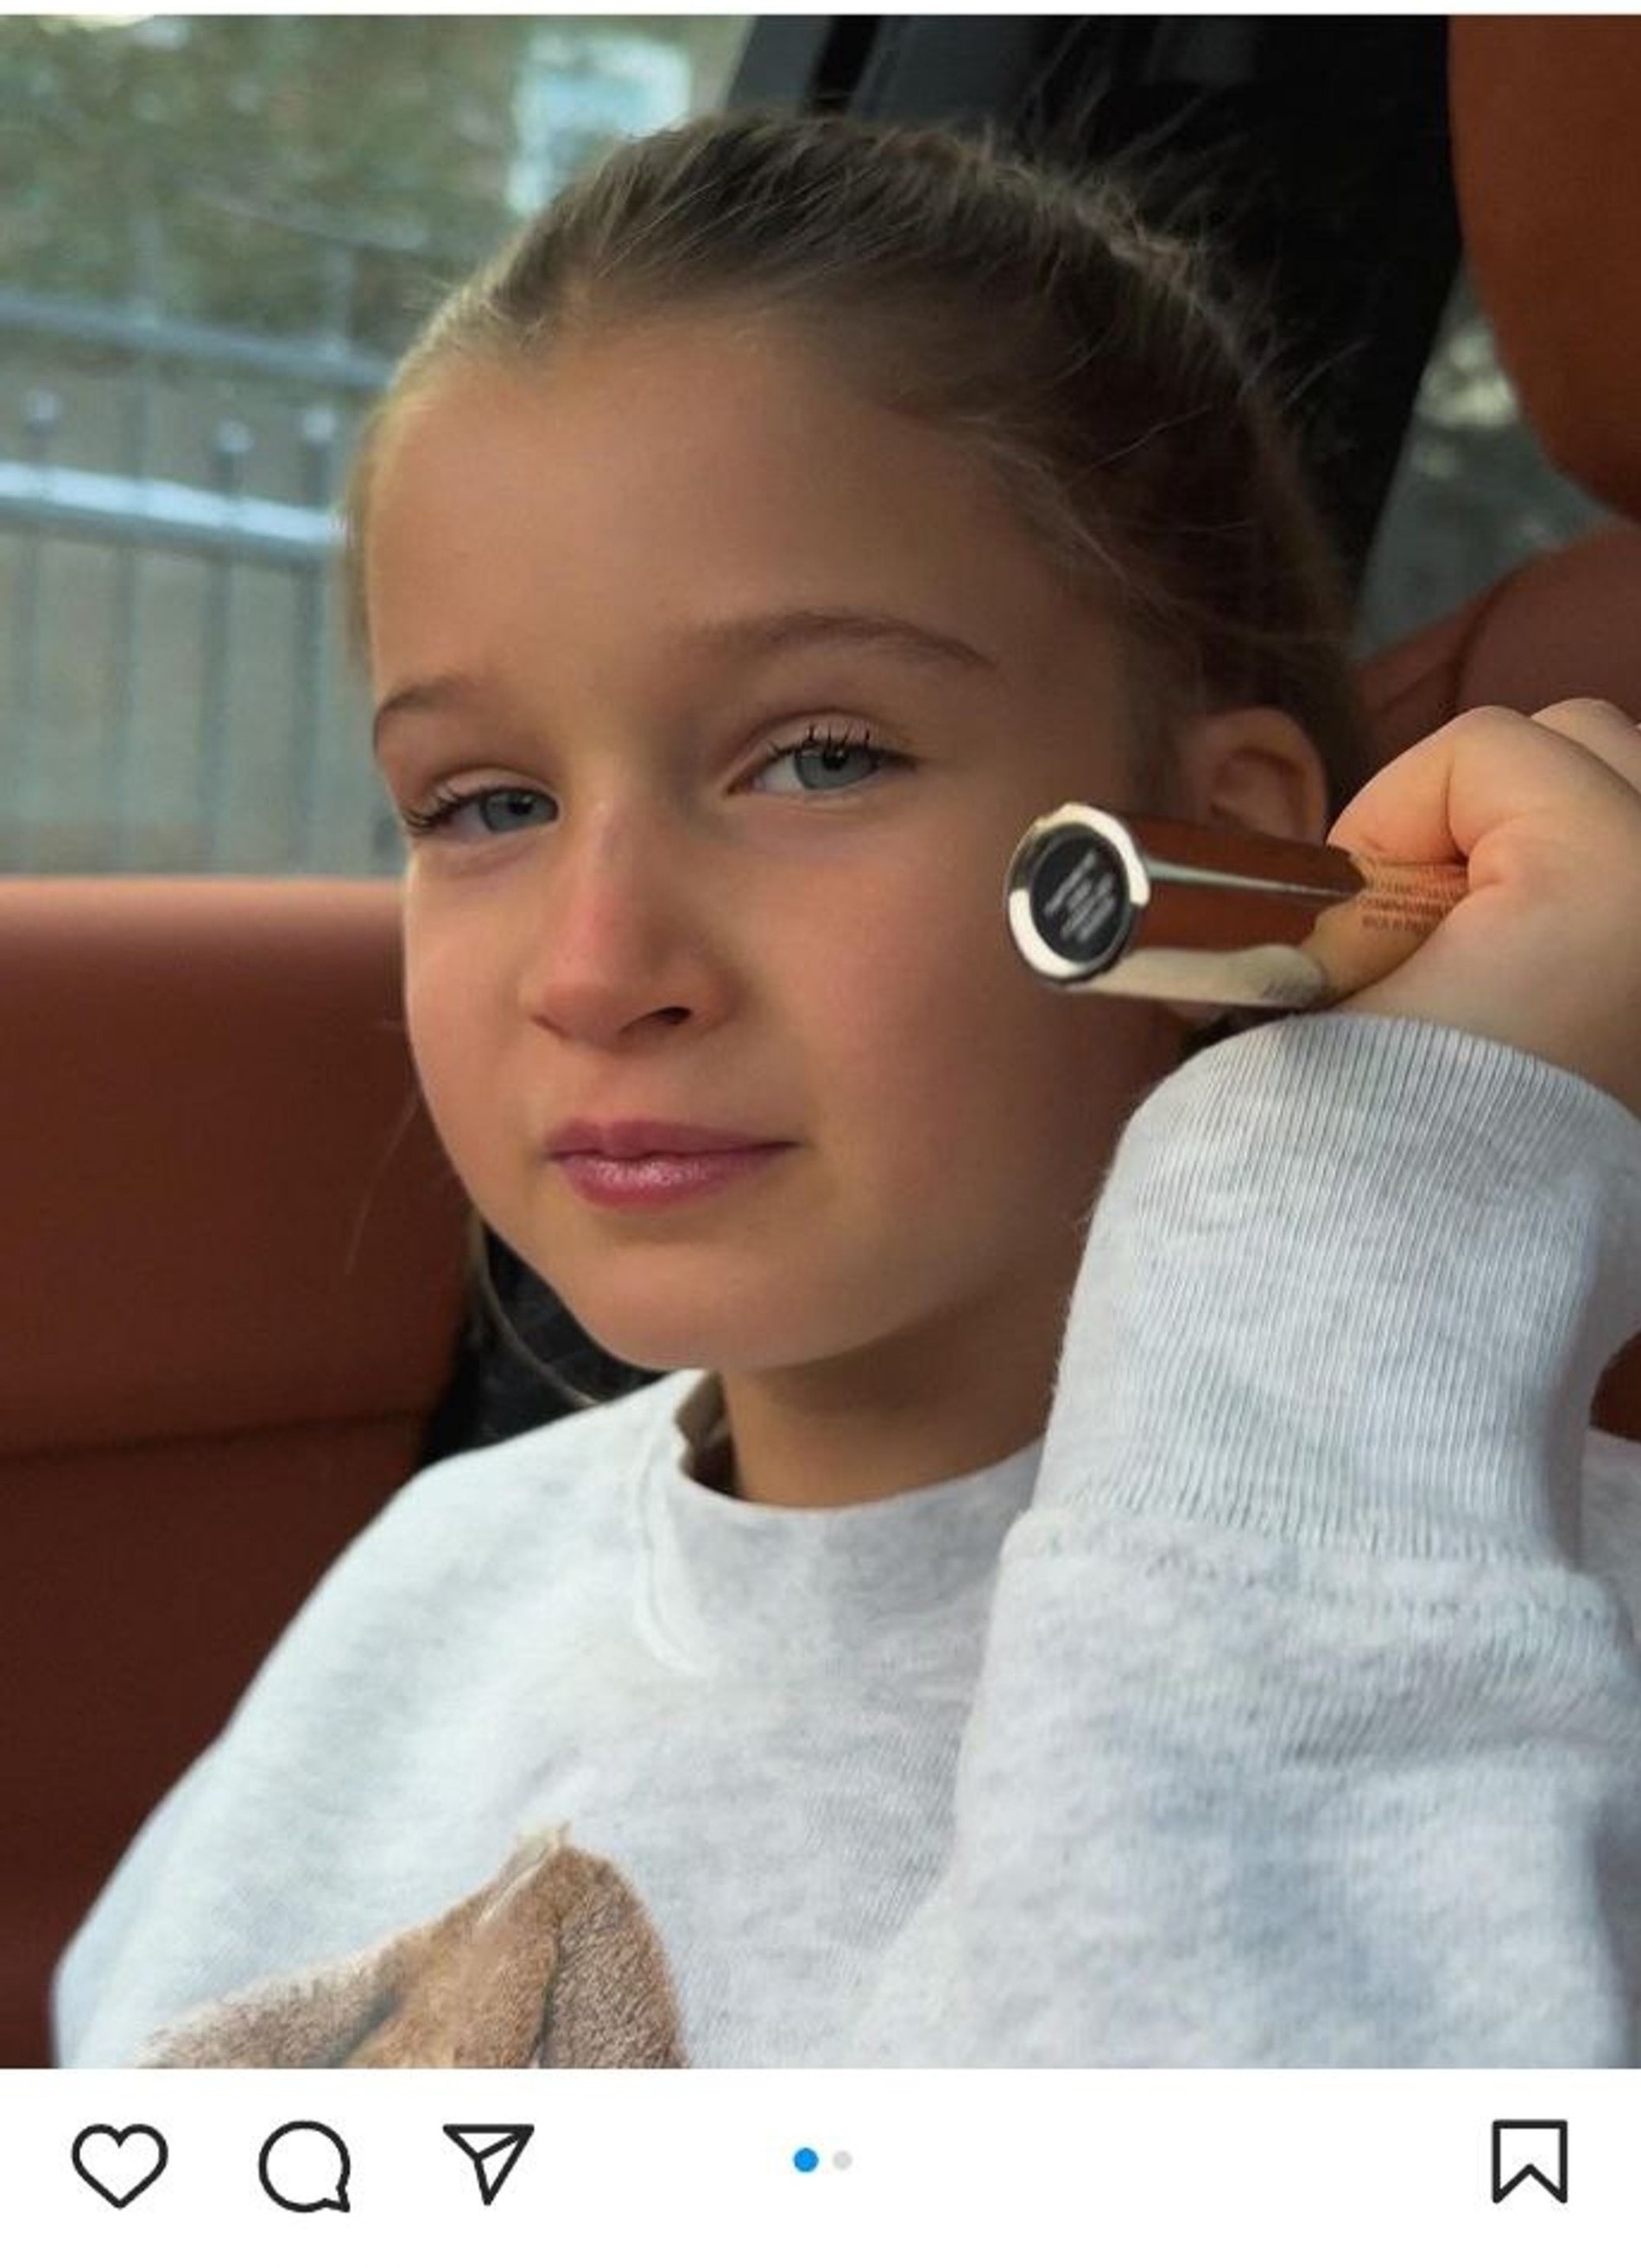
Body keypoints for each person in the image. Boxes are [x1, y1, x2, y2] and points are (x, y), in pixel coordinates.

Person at [53, 106, 1641, 2069]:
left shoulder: (1492, 1667)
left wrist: (1393, 1182)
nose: (593, 968)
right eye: (485, 803)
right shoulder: (434, 1580)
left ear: (1220, 849)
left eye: (820, 758)